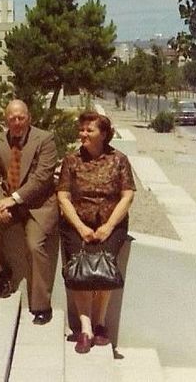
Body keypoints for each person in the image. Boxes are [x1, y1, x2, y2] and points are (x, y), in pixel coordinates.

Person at [57, 111, 135, 354]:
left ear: (104, 134)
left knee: (103, 270)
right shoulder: (71, 160)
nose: (83, 134)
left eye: (89, 130)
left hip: (111, 226)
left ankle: (100, 322)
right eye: (81, 130)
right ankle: (86, 327)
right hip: (76, 225)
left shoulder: (119, 159)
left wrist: (108, 227)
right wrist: (80, 227)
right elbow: (63, 195)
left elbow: (128, 195)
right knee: (81, 272)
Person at [0, 99, 59, 325]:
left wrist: (13, 200)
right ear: (6, 120)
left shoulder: (45, 139)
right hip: (8, 201)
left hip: (38, 205)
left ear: (29, 118)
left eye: (21, 118)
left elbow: (41, 178)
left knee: (35, 246)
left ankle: (41, 305)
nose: (17, 122)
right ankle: (2, 274)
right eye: (12, 118)